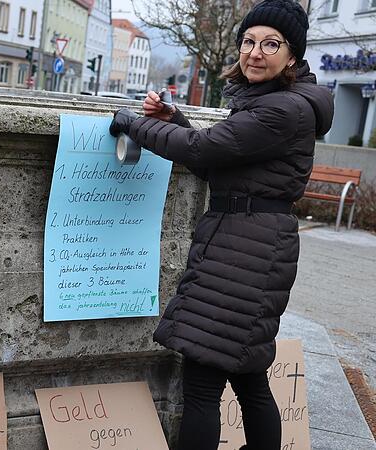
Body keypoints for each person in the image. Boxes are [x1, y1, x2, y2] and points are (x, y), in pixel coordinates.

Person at [109, 1, 334, 449]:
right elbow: (223, 165)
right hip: (251, 247)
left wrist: (134, 125)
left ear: (293, 56)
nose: (255, 52)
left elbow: (202, 151)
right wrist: (175, 121)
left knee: (203, 386)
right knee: (249, 379)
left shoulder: (283, 109)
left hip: (244, 253)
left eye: (271, 43)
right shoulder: (275, 103)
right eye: (248, 41)